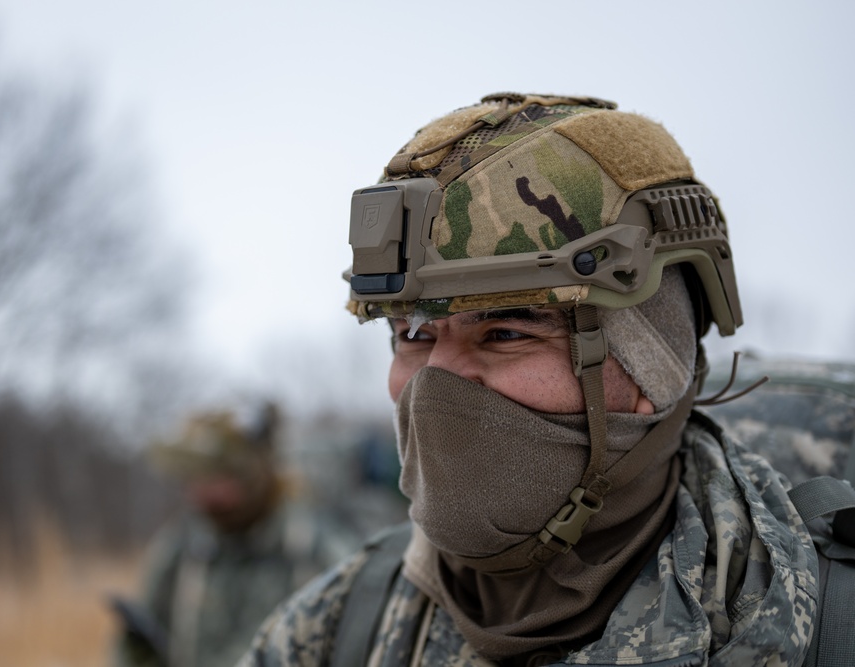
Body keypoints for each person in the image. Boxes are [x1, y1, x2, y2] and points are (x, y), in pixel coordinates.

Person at [236, 93, 844, 666]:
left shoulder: (819, 621)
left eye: (504, 333)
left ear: (651, 367)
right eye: (413, 336)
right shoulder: (332, 632)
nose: (435, 385)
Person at [112, 403, 354, 667]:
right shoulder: (182, 551)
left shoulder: (315, 550)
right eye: (196, 479)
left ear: (253, 474)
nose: (206, 494)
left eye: (219, 479)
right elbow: (140, 647)